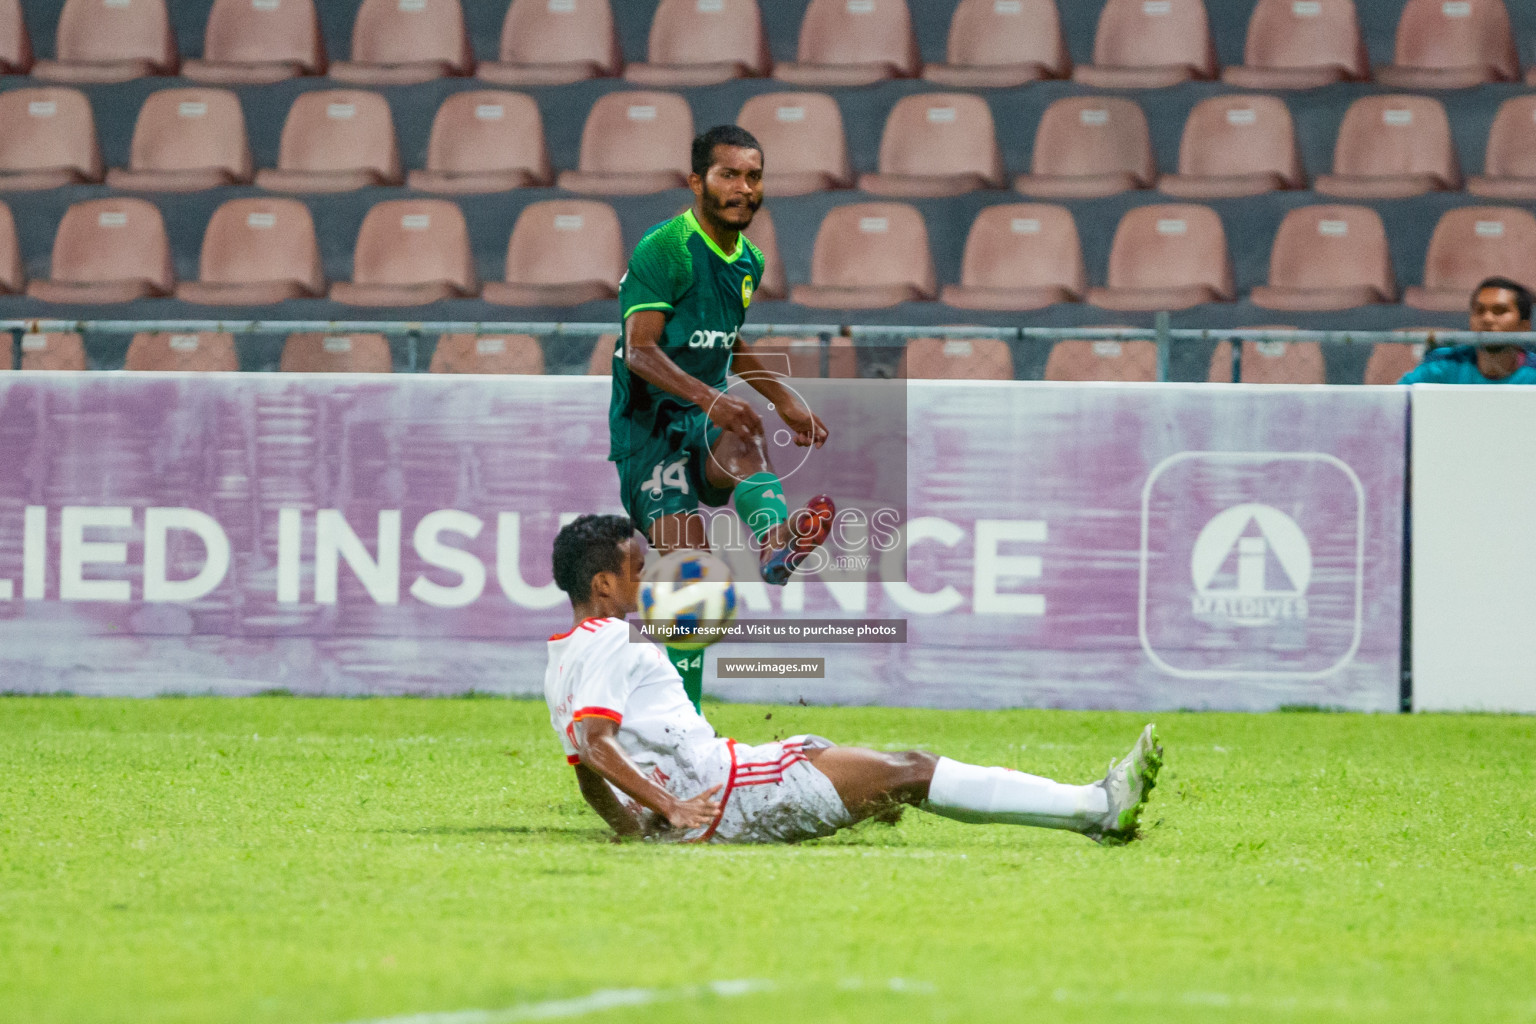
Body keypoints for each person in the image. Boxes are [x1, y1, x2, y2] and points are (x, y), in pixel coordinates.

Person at [544, 515, 1164, 846]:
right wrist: (673, 809)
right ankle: (1096, 807)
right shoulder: (613, 640)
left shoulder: (562, 661)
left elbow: (585, 771)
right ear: (602, 584)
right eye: (636, 565)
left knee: (849, 762)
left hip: (723, 787)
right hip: (726, 791)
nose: (651, 571)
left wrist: (639, 830)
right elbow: (597, 746)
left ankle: (1094, 808)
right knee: (914, 769)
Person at [610, 124, 835, 710]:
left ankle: (776, 543)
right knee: (693, 573)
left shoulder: (749, 260)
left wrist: (780, 397)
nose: (743, 188)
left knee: (744, 434)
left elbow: (727, 339)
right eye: (729, 174)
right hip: (649, 431)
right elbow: (640, 350)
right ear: (696, 182)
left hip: (702, 420)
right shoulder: (665, 248)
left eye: (753, 176)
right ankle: (681, 723)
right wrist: (713, 398)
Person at [1399, 277, 1536, 384]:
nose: (1487, 319)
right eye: (1479, 311)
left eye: (1499, 311)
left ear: (1524, 326)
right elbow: (1396, 407)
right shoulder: (1441, 365)